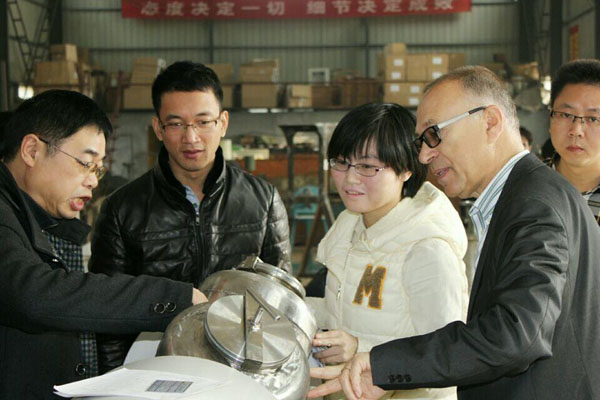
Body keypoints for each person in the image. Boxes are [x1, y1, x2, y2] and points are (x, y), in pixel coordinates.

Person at [308, 66, 600, 400]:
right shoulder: (519, 198)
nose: (423, 154)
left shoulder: (534, 204)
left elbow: (517, 334)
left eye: (434, 134)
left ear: (490, 122)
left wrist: (383, 364)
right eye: (421, 141)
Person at [0, 89, 205, 399]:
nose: (93, 181)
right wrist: (175, 297)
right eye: (85, 163)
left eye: (98, 169)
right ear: (31, 150)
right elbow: (34, 293)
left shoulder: (33, 217)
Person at [89, 61, 292, 372]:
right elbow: (108, 311)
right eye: (176, 124)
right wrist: (115, 380)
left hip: (239, 370)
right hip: (155, 368)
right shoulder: (122, 209)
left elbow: (281, 304)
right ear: (158, 128)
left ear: (223, 123)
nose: (191, 138)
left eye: (203, 122)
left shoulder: (263, 200)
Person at [306, 103, 469, 400]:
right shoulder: (349, 227)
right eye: (341, 162)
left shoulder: (428, 248)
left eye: (368, 167)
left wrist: (361, 348)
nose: (350, 178)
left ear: (406, 169)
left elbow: (445, 355)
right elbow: (342, 310)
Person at [546, 59, 600, 223]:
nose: (576, 131)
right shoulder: (525, 185)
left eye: (593, 119)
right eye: (566, 115)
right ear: (550, 118)